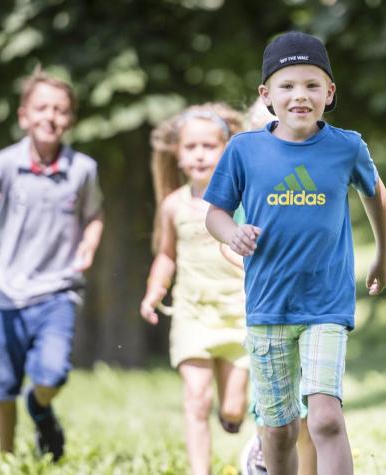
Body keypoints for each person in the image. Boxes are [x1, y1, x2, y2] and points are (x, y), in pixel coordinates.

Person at [204, 32, 386, 475]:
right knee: (280, 429)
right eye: (287, 86)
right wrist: (231, 232)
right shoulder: (244, 150)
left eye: (312, 85)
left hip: (326, 304)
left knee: (325, 417)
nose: (300, 96)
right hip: (268, 306)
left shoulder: (347, 147)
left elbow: (376, 194)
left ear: (330, 92)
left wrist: (384, 253)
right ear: (266, 95)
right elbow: (214, 213)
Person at [0, 69, 104, 462]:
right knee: (2, 385)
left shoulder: (82, 169)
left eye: (60, 110)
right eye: (42, 108)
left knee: (53, 373)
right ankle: (6, 458)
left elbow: (95, 215)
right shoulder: (4, 164)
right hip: (7, 293)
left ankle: (39, 406)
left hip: (57, 291)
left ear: (71, 119)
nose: (50, 116)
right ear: (23, 116)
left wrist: (88, 245)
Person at [139, 103, 250, 475]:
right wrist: (155, 290)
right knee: (196, 397)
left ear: (226, 148)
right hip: (192, 313)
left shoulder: (241, 199)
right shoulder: (173, 205)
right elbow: (166, 255)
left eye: (209, 146)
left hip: (240, 312)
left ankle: (233, 415)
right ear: (177, 153)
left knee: (233, 407)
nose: (199, 154)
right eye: (191, 147)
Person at [238, 98, 317, 475]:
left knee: (314, 406)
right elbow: (228, 240)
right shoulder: (247, 186)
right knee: (274, 407)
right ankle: (265, 451)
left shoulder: (313, 180)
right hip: (267, 311)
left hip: (315, 311)